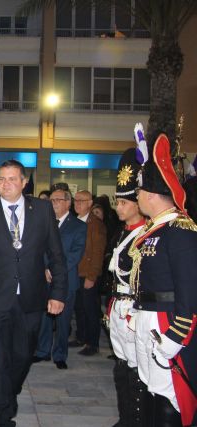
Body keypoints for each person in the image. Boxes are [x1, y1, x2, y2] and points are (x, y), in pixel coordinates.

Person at [0, 159, 67, 427]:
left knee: (23, 356)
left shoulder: (43, 210)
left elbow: (57, 256)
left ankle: (9, 390)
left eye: (12, 179)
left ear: (24, 182)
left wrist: (58, 293)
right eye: (1, 179)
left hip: (32, 299)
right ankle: (2, 415)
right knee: (0, 360)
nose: (6, 184)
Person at [131, 133, 197, 426]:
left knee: (170, 394)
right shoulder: (155, 231)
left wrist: (177, 334)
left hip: (168, 323)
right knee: (151, 388)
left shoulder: (179, 230)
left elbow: (189, 288)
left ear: (152, 195)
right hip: (150, 319)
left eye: (139, 192)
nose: (136, 198)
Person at [104, 148, 147, 426]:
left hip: (135, 310)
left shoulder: (146, 234)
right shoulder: (121, 232)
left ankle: (137, 418)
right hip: (118, 308)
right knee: (122, 367)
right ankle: (125, 416)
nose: (118, 207)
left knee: (137, 370)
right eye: (117, 202)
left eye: (123, 203)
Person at [34, 189, 86, 369]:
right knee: (44, 318)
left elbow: (75, 254)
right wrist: (44, 268)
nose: (53, 203)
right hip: (44, 278)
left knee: (63, 321)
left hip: (66, 280)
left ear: (68, 203)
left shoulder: (78, 226)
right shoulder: (44, 224)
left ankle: (60, 354)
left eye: (57, 200)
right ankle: (42, 351)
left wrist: (55, 271)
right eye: (51, 200)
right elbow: (37, 249)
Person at [71, 190, 107, 356]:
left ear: (90, 203)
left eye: (82, 201)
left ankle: (92, 343)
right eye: (76, 200)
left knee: (90, 309)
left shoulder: (95, 224)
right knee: (79, 308)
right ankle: (81, 336)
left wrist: (92, 277)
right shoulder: (74, 220)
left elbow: (98, 252)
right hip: (75, 273)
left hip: (87, 275)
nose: (77, 203)